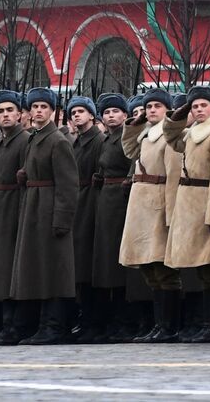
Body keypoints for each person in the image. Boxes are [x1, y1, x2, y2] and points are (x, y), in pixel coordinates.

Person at [11, 87, 79, 344]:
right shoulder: (34, 138)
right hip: (34, 207)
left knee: (54, 270)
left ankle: (54, 325)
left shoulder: (58, 141)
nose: (38, 111)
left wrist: (62, 218)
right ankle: (42, 324)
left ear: (52, 111)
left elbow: (68, 183)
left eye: (44, 107)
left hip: (50, 208)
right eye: (35, 107)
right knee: (39, 269)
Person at [163, 86, 210, 343]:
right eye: (195, 106)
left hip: (205, 200)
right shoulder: (192, 133)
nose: (199, 110)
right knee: (202, 270)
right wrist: (180, 112)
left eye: (204, 105)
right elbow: (171, 136)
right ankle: (206, 324)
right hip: (188, 203)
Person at [120, 88, 179, 342]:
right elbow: (129, 150)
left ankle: (169, 326)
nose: (152, 110)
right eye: (149, 106)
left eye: (157, 106)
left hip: (158, 202)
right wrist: (134, 125)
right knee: (148, 268)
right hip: (140, 204)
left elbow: (174, 175)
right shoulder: (146, 135)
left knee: (163, 268)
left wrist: (171, 212)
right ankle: (159, 324)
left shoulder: (169, 137)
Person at [0, 89, 30, 345]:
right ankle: (5, 324)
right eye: (0, 111)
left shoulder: (25, 140)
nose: (5, 115)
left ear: (20, 114)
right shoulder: (0, 141)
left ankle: (17, 326)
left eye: (10, 110)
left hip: (15, 207)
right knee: (0, 268)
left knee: (14, 270)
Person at [89, 93, 136, 340]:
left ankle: (124, 321)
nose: (111, 116)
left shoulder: (127, 137)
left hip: (119, 200)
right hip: (105, 199)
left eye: (116, 111)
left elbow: (133, 161)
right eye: (107, 112)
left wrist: (125, 180)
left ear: (125, 115)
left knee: (118, 265)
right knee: (106, 263)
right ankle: (110, 320)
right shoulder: (107, 139)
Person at [65, 96, 105, 340]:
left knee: (89, 265)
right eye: (74, 112)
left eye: (81, 111)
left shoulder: (97, 141)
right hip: (77, 201)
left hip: (90, 202)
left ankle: (94, 321)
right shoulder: (76, 141)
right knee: (79, 266)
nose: (77, 116)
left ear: (92, 115)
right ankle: (85, 318)